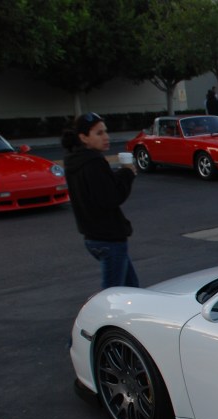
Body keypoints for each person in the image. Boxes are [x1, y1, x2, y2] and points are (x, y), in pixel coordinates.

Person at [61, 112, 139, 290]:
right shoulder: (93, 162)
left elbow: (98, 190)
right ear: (84, 138)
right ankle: (101, 318)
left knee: (131, 288)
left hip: (93, 236)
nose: (106, 137)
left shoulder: (75, 161)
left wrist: (120, 174)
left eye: (105, 132)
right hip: (109, 239)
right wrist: (127, 173)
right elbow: (111, 197)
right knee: (113, 294)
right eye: (99, 133)